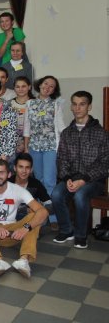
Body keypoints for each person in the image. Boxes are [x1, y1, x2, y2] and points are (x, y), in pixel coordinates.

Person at [52, 91, 109, 248]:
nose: (77, 108)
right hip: (71, 177)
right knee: (56, 194)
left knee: (80, 195)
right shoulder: (67, 133)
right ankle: (66, 230)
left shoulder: (101, 133)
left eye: (82, 104)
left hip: (93, 181)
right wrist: (66, 178)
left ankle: (80, 235)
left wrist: (83, 180)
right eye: (74, 104)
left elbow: (105, 164)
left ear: (89, 107)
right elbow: (61, 159)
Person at [23, 76, 65, 210]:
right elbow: (27, 127)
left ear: (53, 91)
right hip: (34, 147)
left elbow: (60, 127)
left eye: (51, 86)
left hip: (51, 147)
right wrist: (26, 148)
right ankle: (42, 215)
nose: (47, 87)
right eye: (45, 84)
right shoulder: (30, 103)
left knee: (49, 181)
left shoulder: (55, 105)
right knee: (39, 180)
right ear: (39, 85)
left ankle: (52, 217)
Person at [10, 153, 52, 221]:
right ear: (15, 168)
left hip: (29, 223)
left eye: (27, 167)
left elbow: (49, 205)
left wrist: (38, 210)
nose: (24, 171)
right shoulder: (8, 183)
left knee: (41, 217)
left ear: (31, 170)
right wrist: (25, 210)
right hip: (9, 220)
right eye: (21, 167)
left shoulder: (36, 184)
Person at [10, 76, 35, 154]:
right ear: (14, 88)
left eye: (23, 86)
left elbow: (36, 126)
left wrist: (25, 144)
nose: (20, 89)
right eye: (17, 87)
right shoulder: (9, 104)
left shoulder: (35, 104)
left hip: (31, 143)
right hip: (12, 144)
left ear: (29, 87)